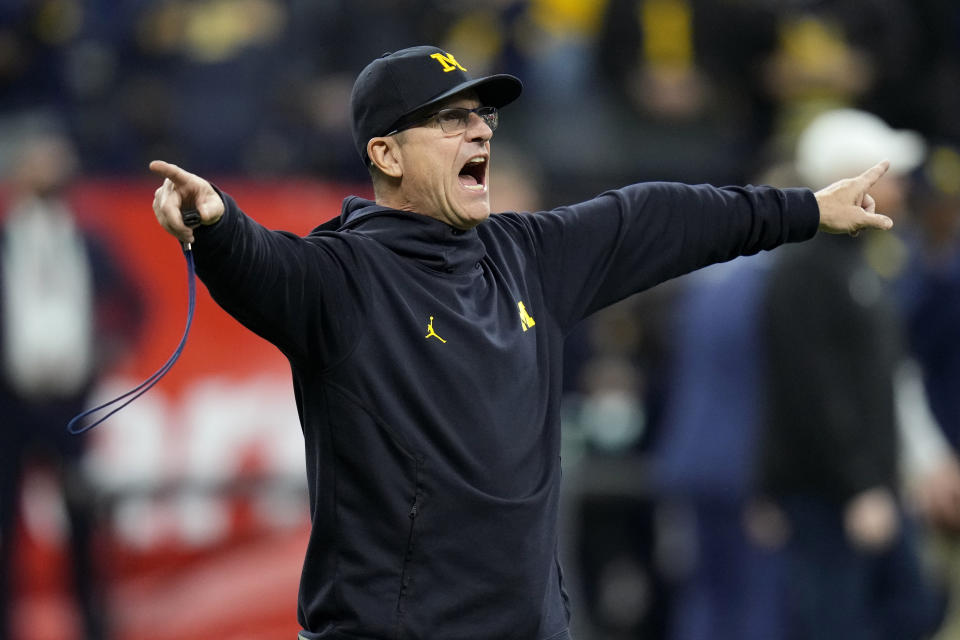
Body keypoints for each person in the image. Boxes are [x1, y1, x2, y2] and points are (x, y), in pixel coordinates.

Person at [148, 45, 895, 640]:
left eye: (483, 117)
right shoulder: (341, 279)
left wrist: (803, 210)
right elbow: (259, 265)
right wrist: (214, 225)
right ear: (386, 154)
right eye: (450, 120)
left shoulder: (526, 256)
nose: (479, 130)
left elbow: (658, 217)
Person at [756, 108, 942, 640]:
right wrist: (860, 485)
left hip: (868, 486)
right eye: (893, 175)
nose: (904, 188)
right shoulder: (806, 267)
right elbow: (811, 389)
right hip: (833, 496)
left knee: (912, 609)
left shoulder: (861, 263)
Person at [0, 131, 143, 639]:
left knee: (83, 521)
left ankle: (92, 626)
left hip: (70, 403)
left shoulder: (86, 241)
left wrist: (112, 345)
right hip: (10, 404)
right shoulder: (7, 238)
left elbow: (133, 301)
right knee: (5, 527)